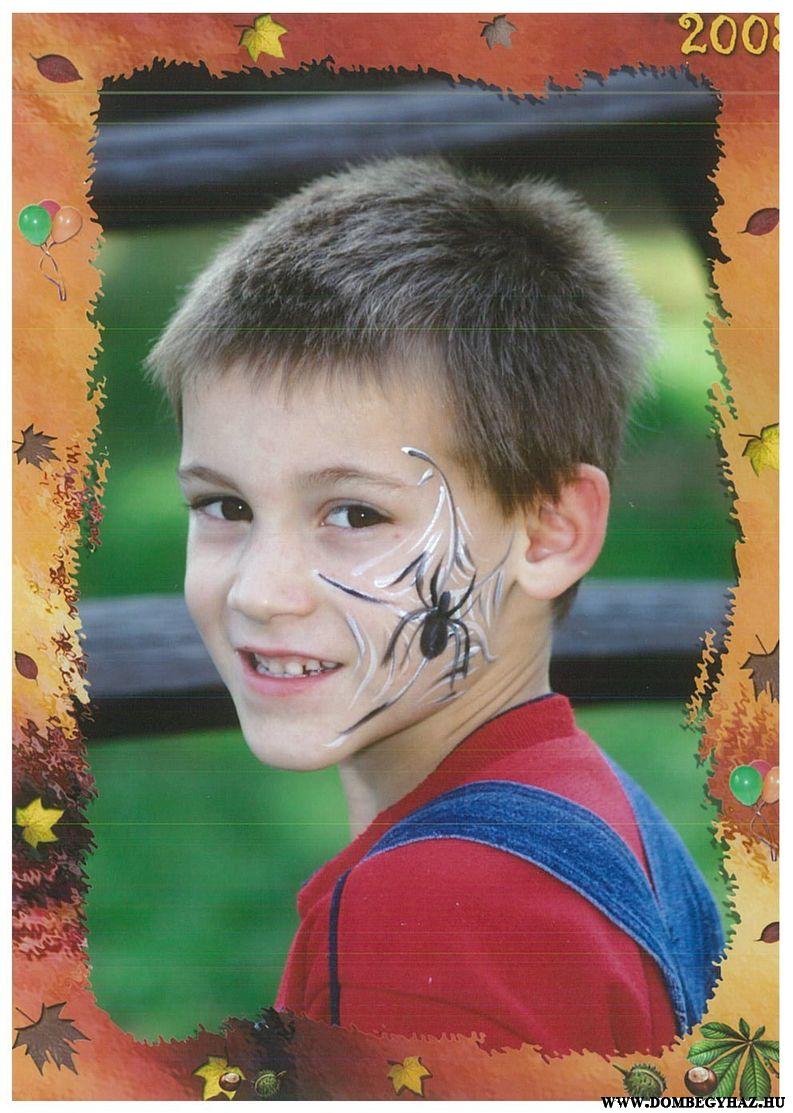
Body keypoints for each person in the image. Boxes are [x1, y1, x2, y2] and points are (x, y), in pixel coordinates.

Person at [144, 155, 724, 1056]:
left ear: (549, 531)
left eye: (355, 514)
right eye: (224, 506)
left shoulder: (427, 920)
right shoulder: (612, 827)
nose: (260, 589)